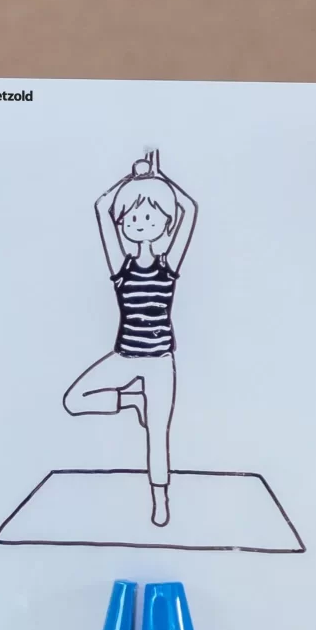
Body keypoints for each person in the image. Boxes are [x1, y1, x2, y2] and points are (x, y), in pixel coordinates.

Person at [62, 150, 199, 527]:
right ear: (123, 225)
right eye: (134, 218)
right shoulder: (119, 268)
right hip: (125, 355)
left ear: (166, 225)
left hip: (160, 361)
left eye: (150, 217)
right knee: (74, 400)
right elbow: (101, 206)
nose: (141, 223)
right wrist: (131, 178)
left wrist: (161, 178)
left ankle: (160, 497)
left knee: (158, 434)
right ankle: (131, 401)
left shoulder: (169, 266)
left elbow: (189, 209)